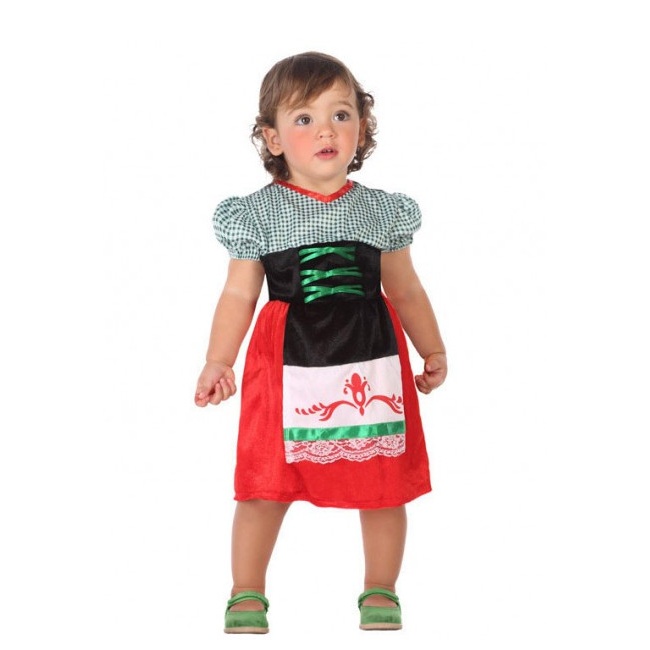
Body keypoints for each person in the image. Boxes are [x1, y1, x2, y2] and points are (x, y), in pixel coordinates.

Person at [195, 51, 447, 634]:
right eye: (304, 118)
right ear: (273, 137)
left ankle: (381, 586)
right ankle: (246, 589)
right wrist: (217, 361)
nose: (326, 130)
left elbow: (406, 288)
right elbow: (238, 295)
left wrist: (431, 348)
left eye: (341, 114)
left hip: (369, 358)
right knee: (266, 480)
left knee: (383, 481)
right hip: (285, 363)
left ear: (362, 126)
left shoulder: (382, 211)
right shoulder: (255, 215)